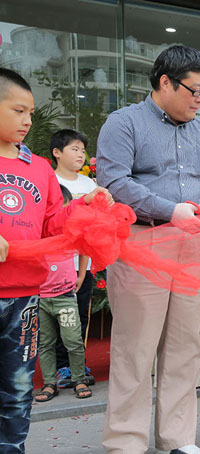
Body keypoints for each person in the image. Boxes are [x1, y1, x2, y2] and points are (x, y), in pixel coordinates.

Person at [96, 45, 200, 454]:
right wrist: (167, 209)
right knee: (136, 345)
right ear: (164, 82)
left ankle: (177, 438)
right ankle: (126, 441)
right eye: (193, 90)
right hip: (143, 240)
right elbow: (114, 181)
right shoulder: (124, 123)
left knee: (183, 345)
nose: (199, 98)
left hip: (192, 243)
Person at [0, 67, 110, 454]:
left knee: (16, 392)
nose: (28, 121)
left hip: (26, 295)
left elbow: (52, 224)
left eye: (30, 112)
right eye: (18, 110)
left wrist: (83, 205)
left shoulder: (39, 167)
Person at [34, 185, 93, 402]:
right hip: (42, 298)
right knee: (46, 342)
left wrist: (80, 276)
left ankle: (78, 378)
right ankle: (50, 382)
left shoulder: (71, 233)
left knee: (73, 340)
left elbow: (85, 248)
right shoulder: (39, 233)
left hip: (65, 296)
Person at [50, 129, 97, 389]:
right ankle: (61, 367)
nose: (80, 154)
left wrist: (83, 271)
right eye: (74, 149)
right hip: (55, 266)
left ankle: (77, 365)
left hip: (83, 264)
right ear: (57, 152)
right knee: (57, 318)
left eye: (82, 150)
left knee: (79, 316)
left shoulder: (90, 184)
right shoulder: (49, 181)